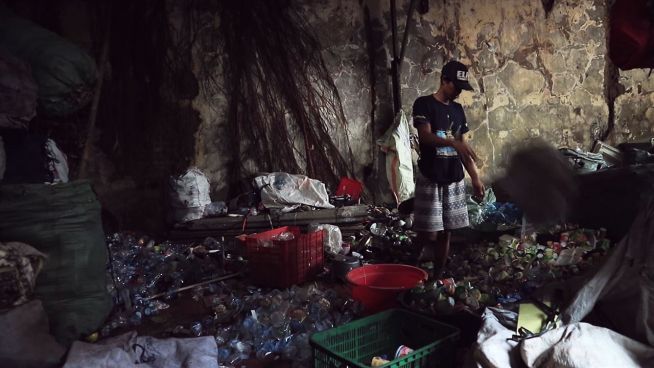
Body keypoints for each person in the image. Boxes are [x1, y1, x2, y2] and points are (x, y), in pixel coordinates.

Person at [411, 60, 484, 278]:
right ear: (444, 81)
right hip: (431, 176)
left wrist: (476, 178)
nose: (459, 91)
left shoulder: (458, 110)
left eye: (462, 87)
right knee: (428, 232)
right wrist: (453, 143)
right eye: (456, 86)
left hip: (453, 178)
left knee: (447, 231)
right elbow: (425, 136)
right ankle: (409, 267)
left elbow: (464, 148)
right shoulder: (423, 104)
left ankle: (438, 274)